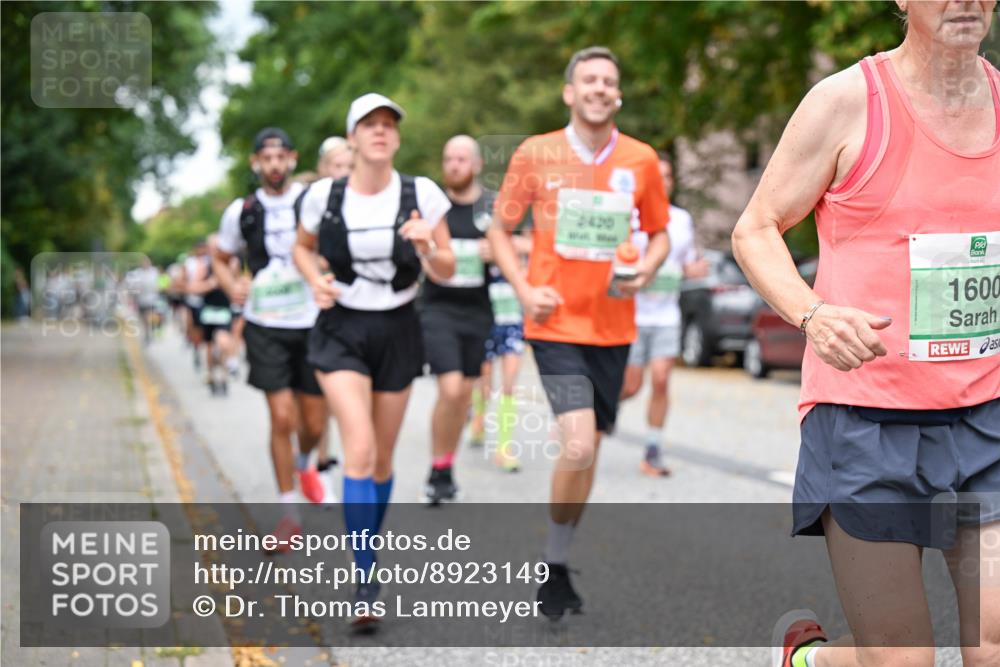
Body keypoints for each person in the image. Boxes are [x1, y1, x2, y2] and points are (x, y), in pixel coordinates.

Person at [730, 3, 1000, 666]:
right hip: (866, 418)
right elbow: (756, 228)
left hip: (986, 412)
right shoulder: (847, 102)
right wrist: (813, 314)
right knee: (903, 658)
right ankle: (812, 660)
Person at [488, 46, 670, 619]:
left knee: (588, 452)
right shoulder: (536, 152)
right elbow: (498, 230)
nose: (599, 88)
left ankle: (559, 559)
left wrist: (646, 269)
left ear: (618, 95)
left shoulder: (641, 159)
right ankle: (554, 563)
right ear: (570, 92)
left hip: (614, 329)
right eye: (588, 79)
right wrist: (524, 288)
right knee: (579, 443)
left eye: (608, 81)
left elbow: (660, 233)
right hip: (555, 325)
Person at [294, 93, 455, 628]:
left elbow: (448, 268)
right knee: (358, 450)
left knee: (382, 460)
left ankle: (368, 553)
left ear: (397, 138)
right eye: (370, 124)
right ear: (353, 137)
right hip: (342, 328)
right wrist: (315, 279)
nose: (380, 131)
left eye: (389, 124)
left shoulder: (421, 193)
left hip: (399, 327)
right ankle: (365, 580)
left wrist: (428, 246)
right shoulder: (324, 196)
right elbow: (302, 247)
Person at [214, 128, 330, 546]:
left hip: (312, 320)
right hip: (265, 323)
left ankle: (305, 462)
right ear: (256, 163)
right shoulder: (242, 211)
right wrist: (232, 285)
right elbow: (222, 257)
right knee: (282, 418)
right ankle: (289, 514)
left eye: (282, 157)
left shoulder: (313, 201)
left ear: (293, 159)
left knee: (313, 424)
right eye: (267, 158)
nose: (275, 165)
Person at [619, 152, 707, 476]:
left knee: (660, 379)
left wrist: (693, 269)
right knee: (630, 386)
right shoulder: (628, 217)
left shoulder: (681, 219)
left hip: (666, 315)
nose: (662, 182)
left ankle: (653, 451)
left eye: (668, 176)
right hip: (632, 315)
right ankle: (597, 412)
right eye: (656, 176)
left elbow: (687, 262)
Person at [420, 135, 496, 504]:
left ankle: (445, 468)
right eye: (449, 158)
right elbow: (420, 251)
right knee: (450, 389)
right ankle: (437, 468)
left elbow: (527, 244)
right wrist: (430, 256)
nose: (454, 165)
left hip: (477, 311)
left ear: (477, 164)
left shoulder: (492, 207)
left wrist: (499, 249)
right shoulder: (433, 207)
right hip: (438, 309)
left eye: (462, 158)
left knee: (464, 394)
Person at [468, 227, 532, 472]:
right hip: (486, 321)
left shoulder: (521, 245)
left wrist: (519, 247)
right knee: (484, 382)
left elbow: (537, 252)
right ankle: (479, 418)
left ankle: (504, 447)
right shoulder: (484, 245)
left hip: (513, 323)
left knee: (509, 385)